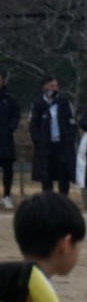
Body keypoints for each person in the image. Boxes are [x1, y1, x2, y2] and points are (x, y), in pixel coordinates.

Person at [28, 76, 75, 195]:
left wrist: (69, 137)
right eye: (51, 86)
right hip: (45, 145)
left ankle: (63, 200)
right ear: (44, 87)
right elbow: (33, 124)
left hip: (62, 144)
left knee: (63, 174)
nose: (54, 89)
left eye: (56, 86)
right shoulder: (38, 104)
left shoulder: (64, 102)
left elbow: (71, 122)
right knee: (46, 175)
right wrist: (38, 140)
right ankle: (48, 200)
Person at [0, 72, 19, 209]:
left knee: (8, 169)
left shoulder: (10, 98)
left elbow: (16, 114)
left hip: (5, 138)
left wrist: (10, 128)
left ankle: (7, 196)